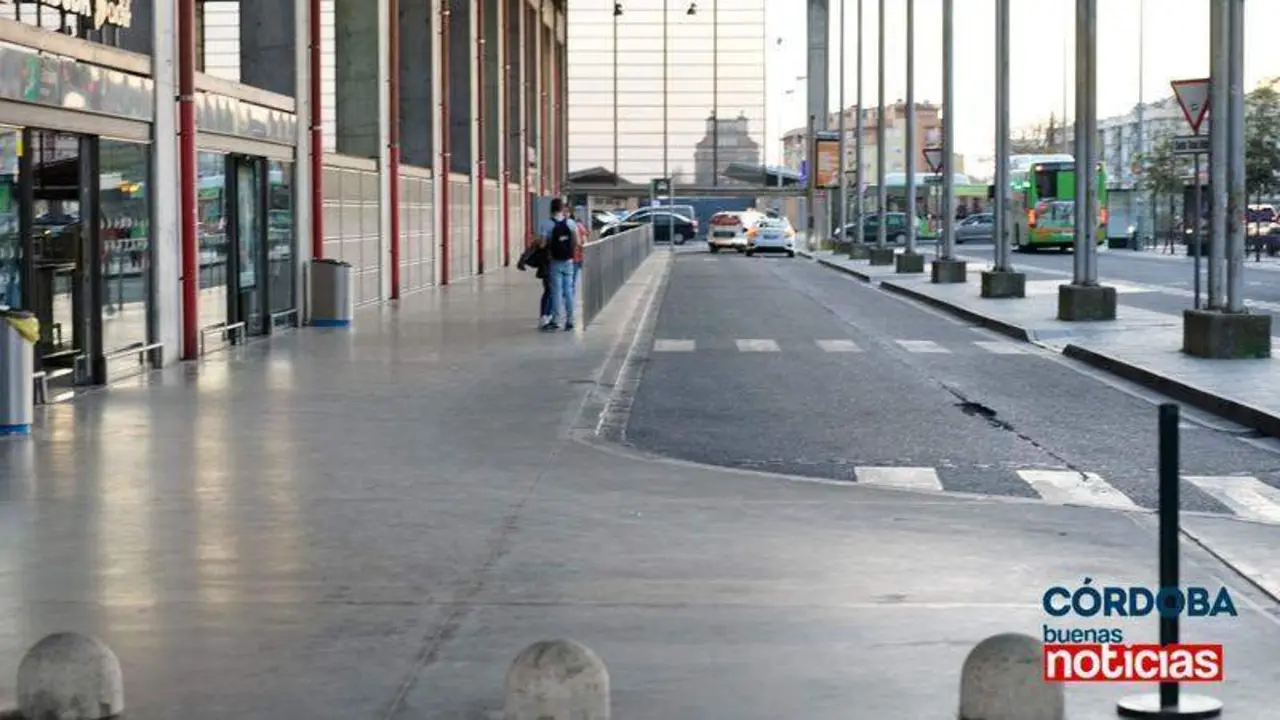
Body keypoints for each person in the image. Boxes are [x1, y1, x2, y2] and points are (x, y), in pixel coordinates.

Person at [536, 198, 579, 331]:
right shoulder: (571, 223)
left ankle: (556, 321)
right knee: (568, 291)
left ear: (551, 209)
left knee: (556, 292)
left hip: (554, 261)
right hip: (568, 261)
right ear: (562, 209)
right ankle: (570, 321)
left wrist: (541, 242)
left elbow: (542, 245)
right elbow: (577, 242)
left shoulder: (546, 224)